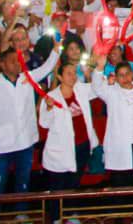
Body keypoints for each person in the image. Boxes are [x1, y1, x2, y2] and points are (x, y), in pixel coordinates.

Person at [0, 44, 60, 198]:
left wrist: (56, 50)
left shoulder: (28, 78)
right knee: (0, 182)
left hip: (26, 140)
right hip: (3, 142)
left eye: (19, 61)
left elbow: (47, 68)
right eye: (13, 61)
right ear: (3, 65)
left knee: (23, 182)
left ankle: (22, 213)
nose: (17, 64)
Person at [39, 62, 98, 219]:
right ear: (59, 77)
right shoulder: (52, 96)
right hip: (60, 151)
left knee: (74, 184)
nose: (73, 77)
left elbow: (97, 88)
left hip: (82, 146)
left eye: (74, 73)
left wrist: (93, 73)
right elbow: (44, 122)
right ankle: (55, 218)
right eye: (68, 73)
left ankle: (72, 215)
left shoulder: (81, 89)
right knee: (58, 187)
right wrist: (50, 108)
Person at [91, 53, 133, 187]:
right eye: (121, 75)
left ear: (132, 74)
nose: (125, 78)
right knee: (121, 183)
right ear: (116, 77)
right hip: (120, 146)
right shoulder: (111, 92)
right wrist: (99, 67)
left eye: (127, 74)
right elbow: (97, 87)